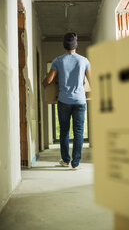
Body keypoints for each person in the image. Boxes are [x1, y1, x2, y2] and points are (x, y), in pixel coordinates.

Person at [43, 32, 91, 169]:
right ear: (76, 44)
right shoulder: (84, 60)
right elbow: (92, 82)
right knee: (79, 131)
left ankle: (65, 160)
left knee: (64, 131)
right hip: (80, 101)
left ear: (64, 45)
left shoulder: (58, 60)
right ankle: (76, 163)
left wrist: (44, 80)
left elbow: (48, 81)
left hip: (64, 101)